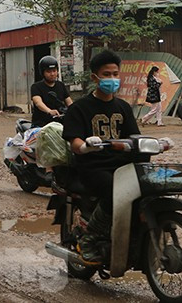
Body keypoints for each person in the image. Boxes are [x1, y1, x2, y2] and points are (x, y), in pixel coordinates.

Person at [61, 49, 140, 264]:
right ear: (95, 77)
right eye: (107, 74)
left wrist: (159, 144)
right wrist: (86, 146)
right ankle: (90, 238)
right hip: (93, 168)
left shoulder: (123, 107)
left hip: (121, 166)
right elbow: (74, 142)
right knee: (116, 190)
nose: (112, 79)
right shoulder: (79, 108)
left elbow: (134, 138)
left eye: (116, 74)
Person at [30, 55, 74, 128]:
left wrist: (75, 111)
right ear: (42, 72)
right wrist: (49, 111)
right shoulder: (36, 87)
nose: (52, 74)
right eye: (48, 71)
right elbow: (38, 103)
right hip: (41, 125)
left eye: (54, 71)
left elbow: (69, 102)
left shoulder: (61, 85)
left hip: (59, 123)